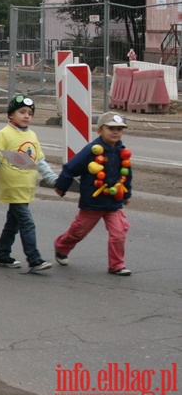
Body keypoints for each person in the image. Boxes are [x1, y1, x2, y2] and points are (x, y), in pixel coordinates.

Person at [54, 112, 133, 276]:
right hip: (93, 202)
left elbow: (127, 174)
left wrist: (126, 195)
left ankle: (117, 265)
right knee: (79, 231)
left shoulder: (122, 152)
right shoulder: (91, 150)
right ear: (100, 130)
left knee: (118, 233)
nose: (115, 132)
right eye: (111, 128)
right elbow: (71, 167)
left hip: (113, 202)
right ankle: (62, 246)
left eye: (119, 129)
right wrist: (62, 186)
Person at [0, 95, 58, 273]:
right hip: (12, 186)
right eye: (22, 112)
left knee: (13, 223)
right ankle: (34, 259)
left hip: (26, 186)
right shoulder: (5, 133)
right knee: (27, 223)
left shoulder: (32, 135)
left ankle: (2, 254)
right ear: (11, 115)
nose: (26, 116)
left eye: (30, 113)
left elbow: (39, 160)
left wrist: (52, 178)